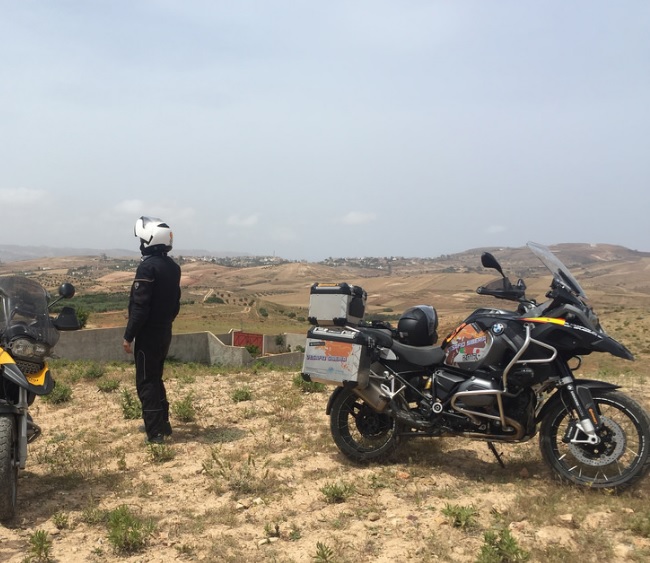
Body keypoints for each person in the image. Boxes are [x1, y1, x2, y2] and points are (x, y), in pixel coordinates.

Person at [122, 217, 181, 444]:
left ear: (150, 240)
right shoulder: (173, 267)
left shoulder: (147, 267)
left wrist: (129, 335)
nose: (140, 244)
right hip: (164, 331)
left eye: (142, 240)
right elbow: (175, 304)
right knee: (156, 378)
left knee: (146, 381)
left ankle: (155, 433)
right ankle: (163, 423)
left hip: (148, 334)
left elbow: (141, 307)